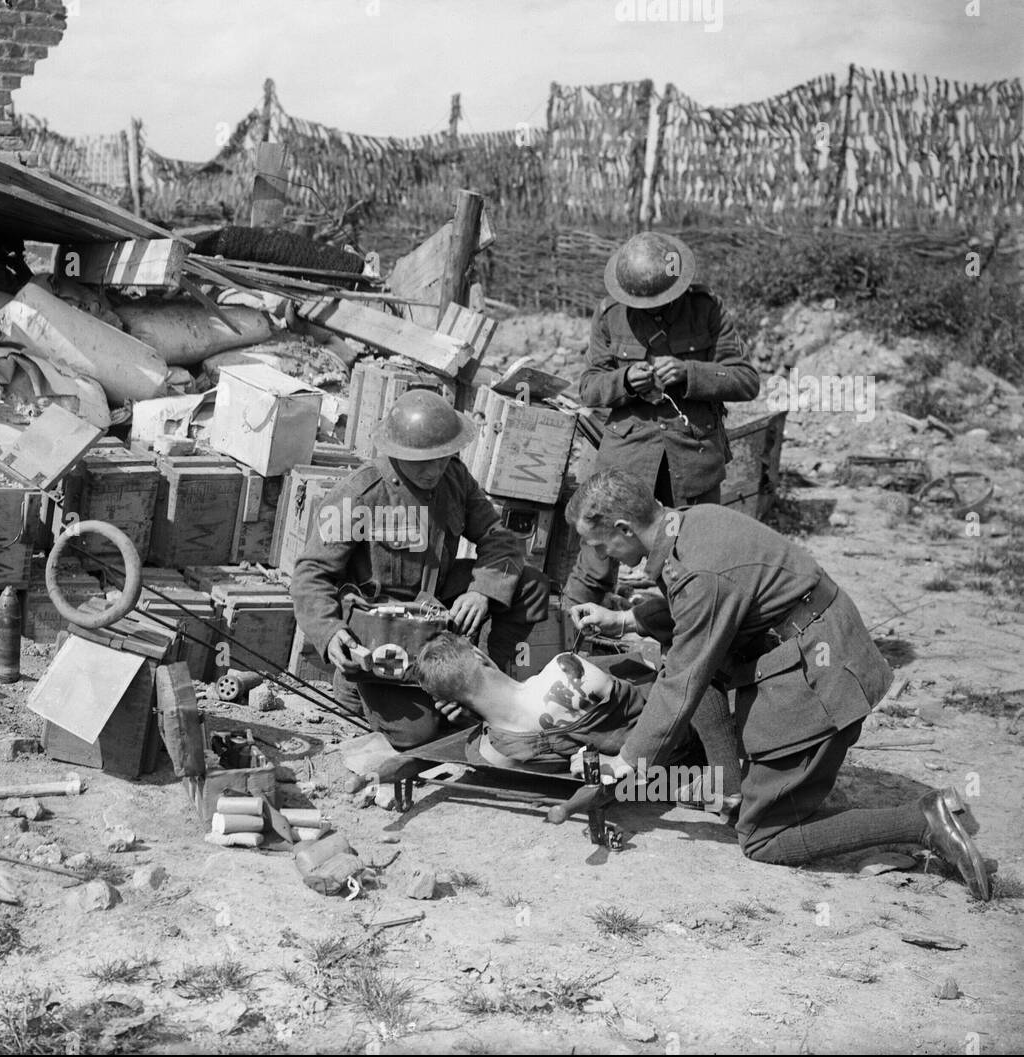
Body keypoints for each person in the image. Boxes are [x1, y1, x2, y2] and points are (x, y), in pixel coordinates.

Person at [565, 469, 992, 901]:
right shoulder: (691, 523)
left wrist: (627, 761)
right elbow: (701, 611)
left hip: (822, 678)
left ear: (624, 528)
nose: (607, 557)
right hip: (814, 642)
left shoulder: (699, 572)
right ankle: (730, 790)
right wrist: (625, 620)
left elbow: (684, 674)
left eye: (603, 547)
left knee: (763, 840)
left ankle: (922, 821)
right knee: (686, 660)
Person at [291, 388, 550, 750]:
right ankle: (355, 689)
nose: (434, 470)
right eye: (423, 461)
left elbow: (499, 539)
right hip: (383, 633)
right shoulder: (359, 494)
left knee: (530, 584)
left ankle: (489, 679)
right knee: (418, 736)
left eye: (443, 458)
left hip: (437, 609)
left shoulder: (454, 478)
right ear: (396, 452)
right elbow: (311, 574)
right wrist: (330, 632)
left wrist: (481, 590)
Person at [565, 231, 760, 613]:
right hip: (627, 459)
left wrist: (690, 372)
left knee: (697, 563)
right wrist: (624, 382)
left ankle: (690, 649)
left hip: (691, 458)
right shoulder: (610, 314)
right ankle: (569, 638)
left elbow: (745, 379)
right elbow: (588, 388)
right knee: (596, 558)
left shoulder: (707, 309)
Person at [414, 631, 738, 813]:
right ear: (478, 655)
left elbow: (549, 762)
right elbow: (649, 686)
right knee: (693, 670)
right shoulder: (564, 667)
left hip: (655, 780)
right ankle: (731, 782)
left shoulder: (491, 749)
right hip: (690, 733)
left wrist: (474, 718)